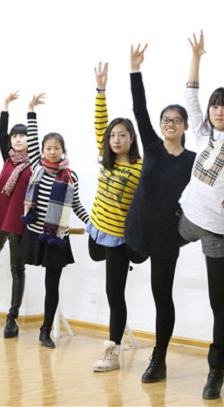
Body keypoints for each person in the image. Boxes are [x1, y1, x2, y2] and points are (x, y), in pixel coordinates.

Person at [176, 30, 224, 400]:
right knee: (154, 241)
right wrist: (196, 57)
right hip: (188, 219)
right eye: (215, 106)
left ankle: (216, 371)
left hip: (218, 230)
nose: (218, 111)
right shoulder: (203, 133)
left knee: (218, 302)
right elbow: (190, 96)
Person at [124, 43, 197, 383]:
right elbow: (139, 108)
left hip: (167, 236)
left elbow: (207, 191)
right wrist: (135, 69)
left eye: (176, 120)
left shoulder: (192, 160)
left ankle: (159, 358)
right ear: (160, 124)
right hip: (138, 228)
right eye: (166, 120)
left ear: (185, 126)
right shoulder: (152, 146)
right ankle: (114, 342)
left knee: (162, 297)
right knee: (116, 263)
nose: (170, 124)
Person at [20, 94, 90, 348]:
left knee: (52, 285)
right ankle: (13, 318)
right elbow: (31, 137)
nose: (52, 151)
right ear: (42, 150)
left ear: (63, 150)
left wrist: (91, 223)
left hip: (56, 237)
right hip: (35, 232)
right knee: (17, 271)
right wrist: (31, 110)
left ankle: (45, 330)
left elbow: (76, 204)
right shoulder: (36, 167)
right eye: (48, 148)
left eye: (56, 148)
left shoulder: (71, 177)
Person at [88, 61, 144, 373]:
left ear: (131, 138)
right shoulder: (106, 160)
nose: (116, 139)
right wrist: (101, 90)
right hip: (96, 229)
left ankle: (112, 352)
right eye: (113, 136)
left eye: (123, 135)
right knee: (94, 255)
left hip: (119, 239)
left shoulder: (139, 167)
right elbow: (100, 124)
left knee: (114, 295)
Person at [0, 91, 39, 339]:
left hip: (18, 221)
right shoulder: (8, 158)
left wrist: (31, 110)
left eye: (22, 136)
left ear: (29, 139)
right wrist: (5, 105)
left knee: (17, 268)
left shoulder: (34, 162)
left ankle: (11, 318)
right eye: (15, 136)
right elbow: (1, 133)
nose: (17, 139)